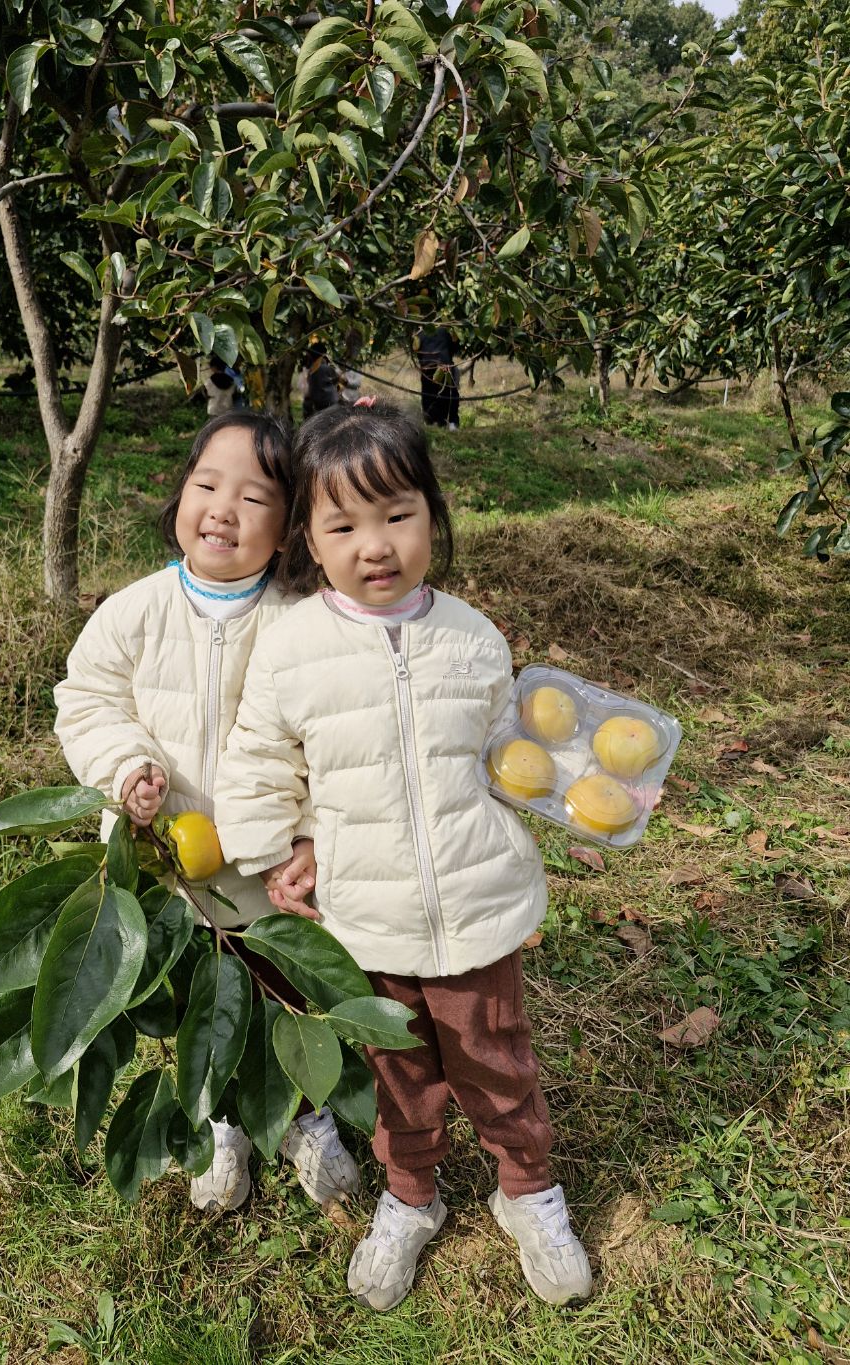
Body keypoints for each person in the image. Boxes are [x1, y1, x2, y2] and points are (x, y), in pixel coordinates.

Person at [215, 399, 591, 1312]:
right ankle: (411, 1194)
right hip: (369, 915)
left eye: (397, 515)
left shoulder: (473, 636)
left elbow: (509, 754)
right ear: (309, 537)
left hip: (476, 904)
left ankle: (527, 1188)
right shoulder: (292, 647)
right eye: (343, 525)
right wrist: (277, 848)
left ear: (433, 515)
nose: (375, 545)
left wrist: (582, 776)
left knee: (495, 1060)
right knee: (400, 1075)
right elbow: (258, 758)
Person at [53, 411, 359, 1214]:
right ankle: (222, 1119)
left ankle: (305, 1112)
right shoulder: (136, 610)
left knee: (284, 991)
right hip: (168, 870)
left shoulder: (303, 624)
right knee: (201, 1004)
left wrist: (308, 835)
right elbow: (87, 700)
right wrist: (127, 767)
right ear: (181, 495)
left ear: (288, 530)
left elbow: (333, 739)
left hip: (268, 877)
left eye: (253, 497)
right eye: (207, 484)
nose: (223, 508)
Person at [416, 326, 460, 429]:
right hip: (443, 365)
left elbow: (418, 351)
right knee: (449, 394)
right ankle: (451, 422)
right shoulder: (446, 330)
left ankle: (431, 422)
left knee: (428, 395)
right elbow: (454, 347)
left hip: (427, 366)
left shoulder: (420, 333)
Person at [300, 341, 341, 416]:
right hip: (329, 404)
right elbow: (340, 377)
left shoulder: (311, 370)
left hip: (319, 405)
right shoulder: (325, 368)